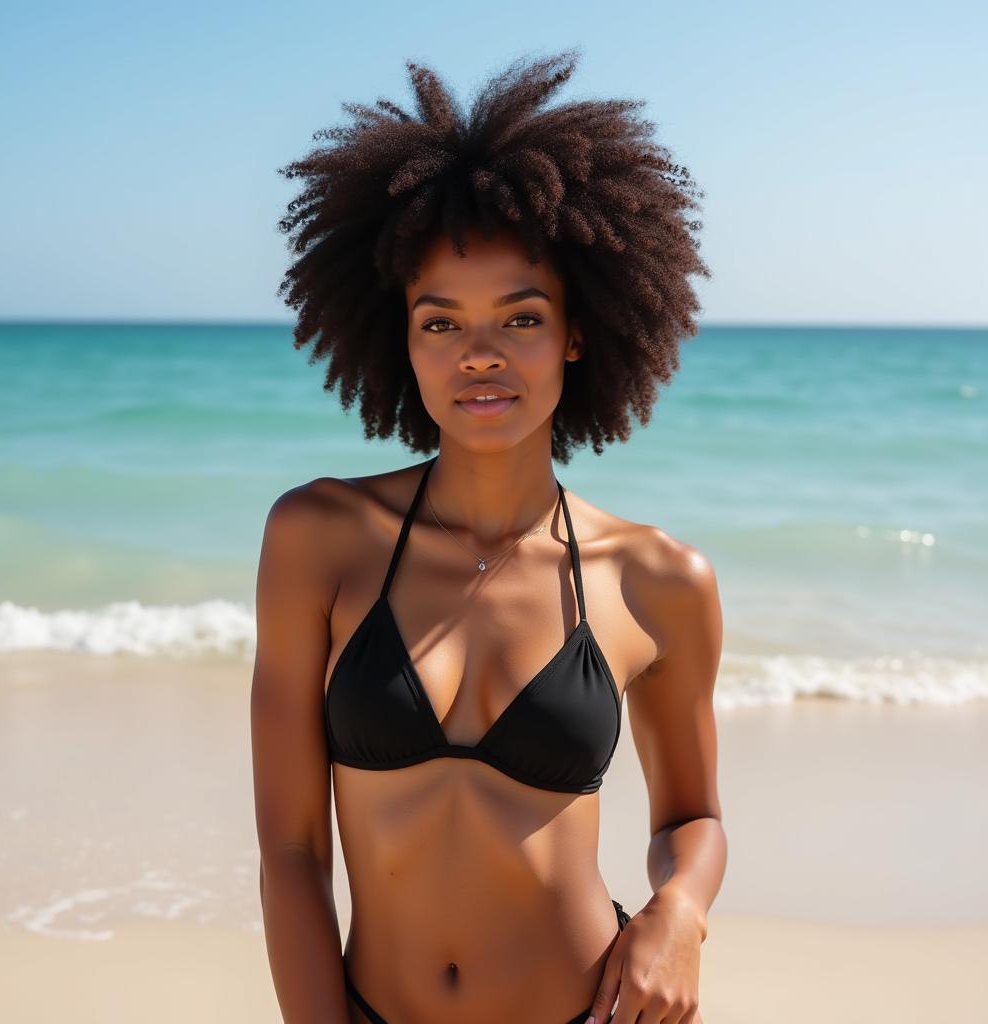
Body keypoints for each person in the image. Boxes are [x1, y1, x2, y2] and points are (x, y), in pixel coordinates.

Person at [252, 49, 727, 1024]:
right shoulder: (319, 537)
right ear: (401, 336)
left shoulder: (656, 578)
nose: (479, 353)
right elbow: (291, 850)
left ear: (577, 332)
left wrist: (678, 910)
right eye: (440, 322)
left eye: (520, 316)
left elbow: (690, 817)